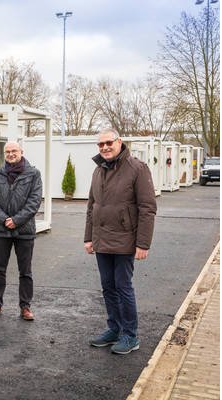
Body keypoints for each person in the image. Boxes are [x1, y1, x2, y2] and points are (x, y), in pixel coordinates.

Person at [85, 128, 157, 355]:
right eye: (100, 144)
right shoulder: (98, 170)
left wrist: (143, 243)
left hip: (125, 240)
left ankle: (130, 335)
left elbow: (147, 208)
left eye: (108, 143)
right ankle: (114, 329)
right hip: (102, 240)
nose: (104, 147)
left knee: (123, 287)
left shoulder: (137, 168)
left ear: (119, 142)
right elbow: (91, 206)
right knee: (108, 287)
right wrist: (88, 237)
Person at [0, 141, 43, 321]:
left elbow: (34, 201)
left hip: (24, 230)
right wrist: (4, 219)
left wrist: (16, 220)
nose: (10, 154)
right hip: (1, 230)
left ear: (21, 152)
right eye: (7, 151)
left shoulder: (33, 174)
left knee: (25, 271)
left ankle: (25, 307)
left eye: (14, 151)